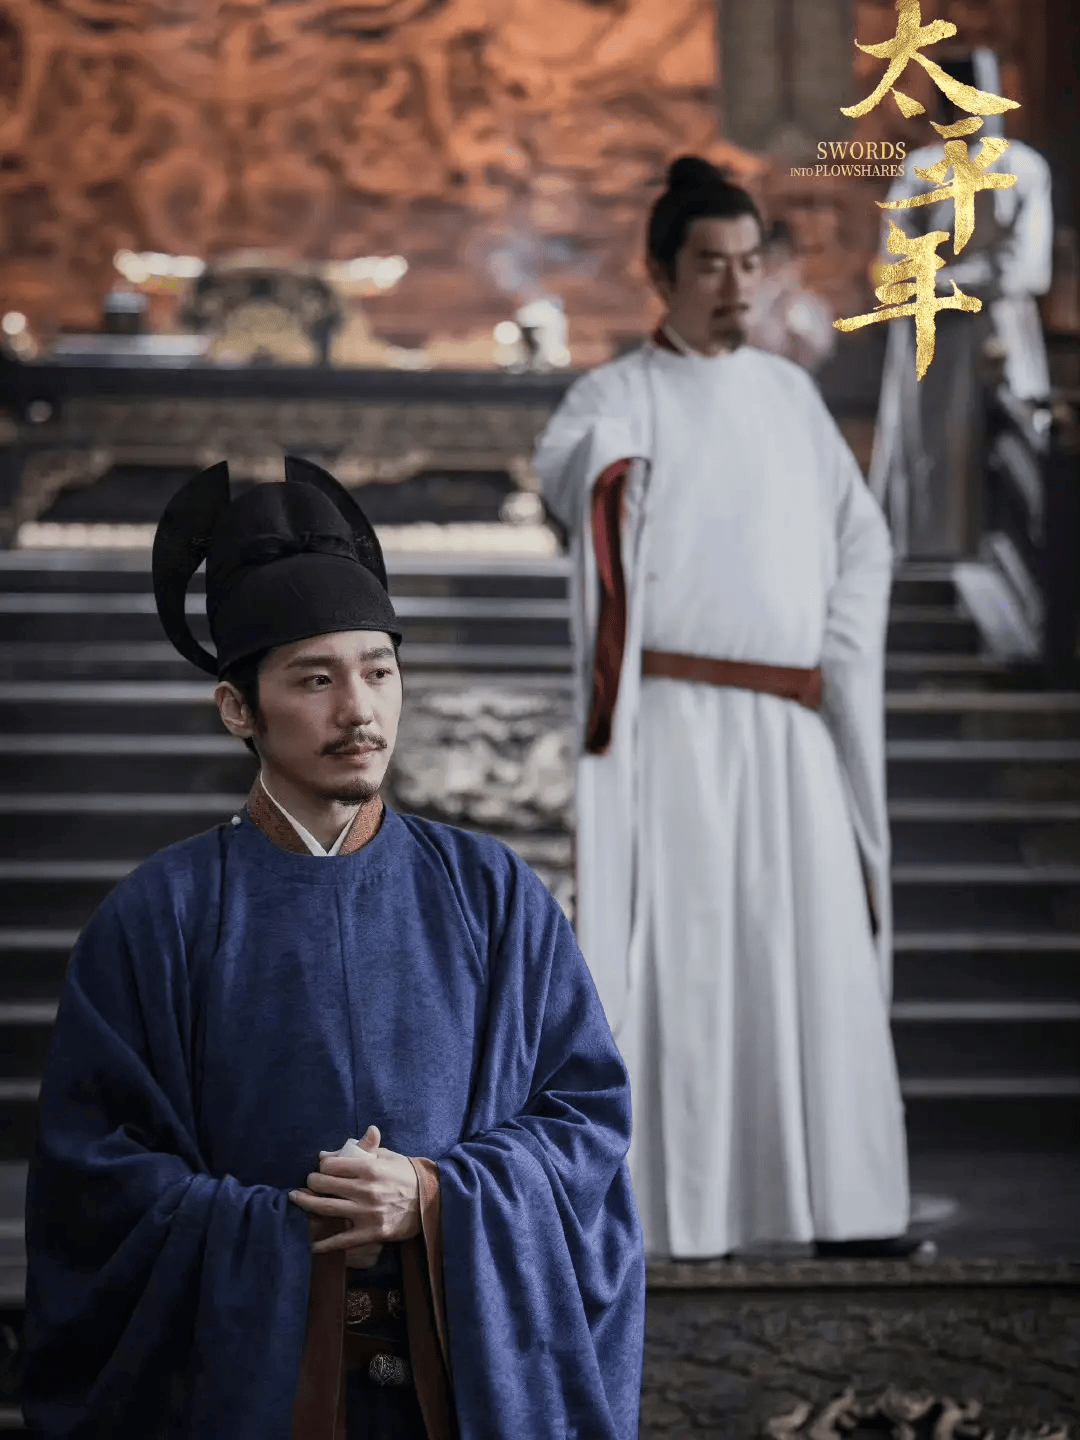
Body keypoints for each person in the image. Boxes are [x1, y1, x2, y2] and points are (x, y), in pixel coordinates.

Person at [21, 455, 645, 1438]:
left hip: (456, 1388)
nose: (359, 711)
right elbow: (96, 1184)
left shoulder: (492, 894)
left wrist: (433, 1197)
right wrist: (287, 1235)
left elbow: (586, 1120)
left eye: (379, 671)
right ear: (238, 708)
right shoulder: (157, 919)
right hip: (260, 1397)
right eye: (316, 678)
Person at [534, 155, 932, 1264]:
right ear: (662, 274)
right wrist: (610, 473)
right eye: (711, 264)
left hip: (789, 730)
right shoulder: (616, 397)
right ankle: (680, 1214)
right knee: (694, 967)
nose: (736, 285)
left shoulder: (790, 397)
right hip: (676, 727)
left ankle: (841, 1208)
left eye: (751, 263)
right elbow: (568, 473)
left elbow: (861, 543)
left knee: (812, 959)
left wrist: (829, 660)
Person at [868, 49, 1053, 559]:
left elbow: (1026, 267)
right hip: (934, 345)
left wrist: (948, 281)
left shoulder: (1023, 169)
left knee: (1010, 457)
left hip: (1000, 338)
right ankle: (929, 564)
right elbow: (895, 266)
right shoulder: (919, 171)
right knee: (932, 456)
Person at [746, 220, 837, 372]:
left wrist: (788, 306)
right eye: (772, 260)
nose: (780, 269)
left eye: (784, 259)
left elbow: (818, 349)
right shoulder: (754, 303)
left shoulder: (811, 305)